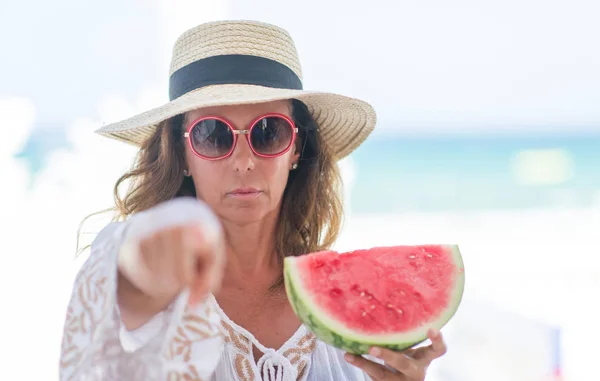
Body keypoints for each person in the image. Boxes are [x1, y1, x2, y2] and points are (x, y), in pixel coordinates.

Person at [59, 20, 448, 381]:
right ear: (183, 155)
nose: (243, 162)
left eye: (268, 132)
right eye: (212, 134)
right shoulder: (130, 263)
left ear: (296, 148)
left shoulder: (349, 311)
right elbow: (117, 295)